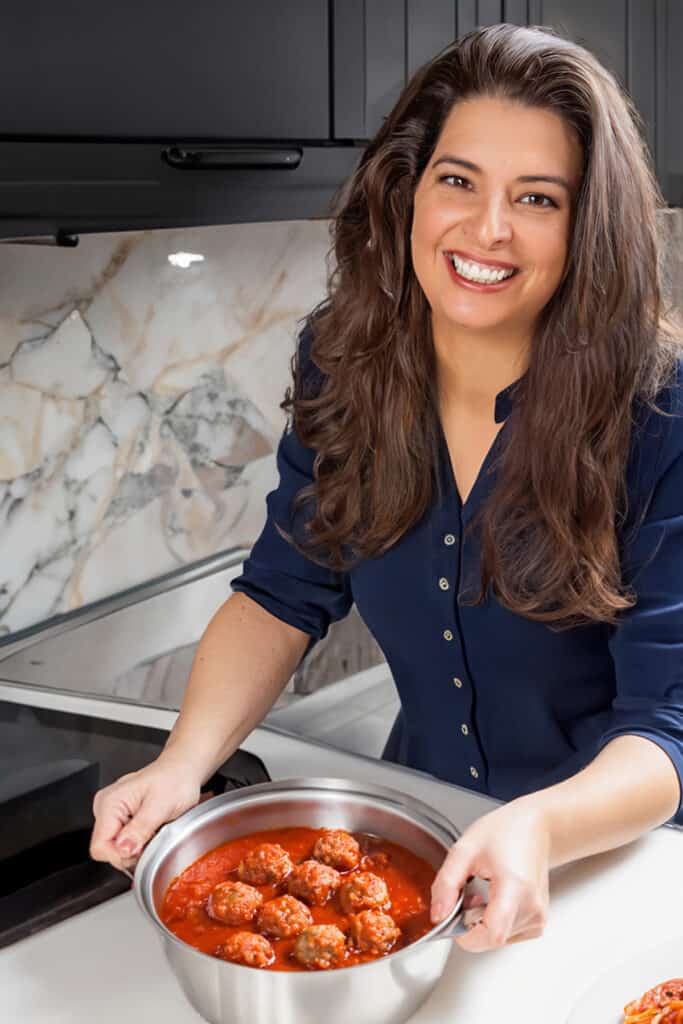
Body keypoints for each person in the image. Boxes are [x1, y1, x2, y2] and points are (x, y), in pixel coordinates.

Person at [90, 23, 683, 954]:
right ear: (406, 190)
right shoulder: (345, 361)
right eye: (458, 180)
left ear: (587, 226)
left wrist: (538, 825)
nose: (486, 229)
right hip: (426, 836)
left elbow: (668, 725)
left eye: (536, 197)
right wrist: (181, 765)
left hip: (610, 864)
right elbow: (281, 594)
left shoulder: (662, 410)